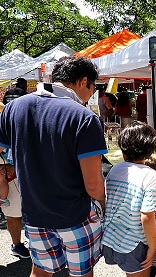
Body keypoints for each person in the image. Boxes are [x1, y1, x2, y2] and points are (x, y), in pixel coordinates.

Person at [0, 56, 107, 276]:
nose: (91, 94)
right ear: (83, 81)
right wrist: (104, 205)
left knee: (40, 271)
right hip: (75, 215)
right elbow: (94, 185)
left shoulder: (14, 108)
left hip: (34, 214)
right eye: (93, 88)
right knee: (82, 273)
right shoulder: (84, 118)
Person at [102, 121, 156, 277]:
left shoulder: (115, 169)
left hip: (112, 239)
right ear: (150, 150)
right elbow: (147, 217)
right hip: (134, 244)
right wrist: (153, 247)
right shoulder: (151, 175)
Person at [0, 90, 30, 259]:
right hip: (9, 175)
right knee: (13, 213)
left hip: (17, 173)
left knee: (15, 212)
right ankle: (17, 244)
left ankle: (19, 243)